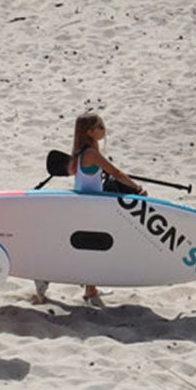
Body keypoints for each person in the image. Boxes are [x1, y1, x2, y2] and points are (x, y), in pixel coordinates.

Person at [32, 113, 146, 306]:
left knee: (90, 248)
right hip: (90, 206)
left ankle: (89, 289)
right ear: (90, 132)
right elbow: (115, 172)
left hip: (84, 203)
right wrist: (136, 188)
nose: (104, 129)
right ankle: (45, 275)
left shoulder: (81, 152)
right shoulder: (91, 154)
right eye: (100, 126)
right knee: (92, 248)